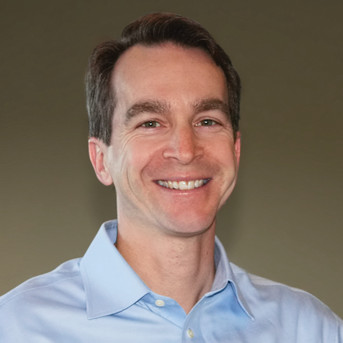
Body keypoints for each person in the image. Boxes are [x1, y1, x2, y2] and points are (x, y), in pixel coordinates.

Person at [0, 12, 342, 342]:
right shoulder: (16, 327)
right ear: (101, 160)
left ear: (235, 152)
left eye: (207, 121)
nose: (185, 149)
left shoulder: (312, 330)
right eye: (150, 123)